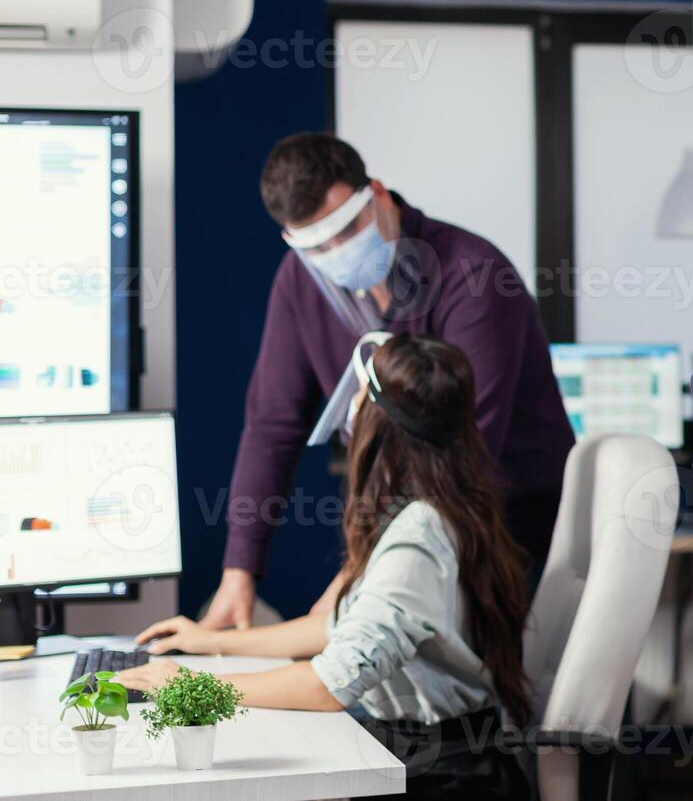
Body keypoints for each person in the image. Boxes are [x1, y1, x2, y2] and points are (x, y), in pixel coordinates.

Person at [121, 334, 531, 800]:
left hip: (438, 777)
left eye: (357, 398)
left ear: (375, 422)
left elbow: (329, 685)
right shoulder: (436, 506)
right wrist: (211, 640)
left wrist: (191, 684)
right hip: (421, 755)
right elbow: (337, 630)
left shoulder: (417, 541)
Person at [203, 133, 574, 629]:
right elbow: (272, 426)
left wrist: (364, 570)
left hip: (504, 526)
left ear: (376, 192)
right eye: (315, 246)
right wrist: (239, 570)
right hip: (396, 529)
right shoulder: (301, 280)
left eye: (346, 228)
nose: (335, 252)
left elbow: (463, 451)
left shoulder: (473, 277)